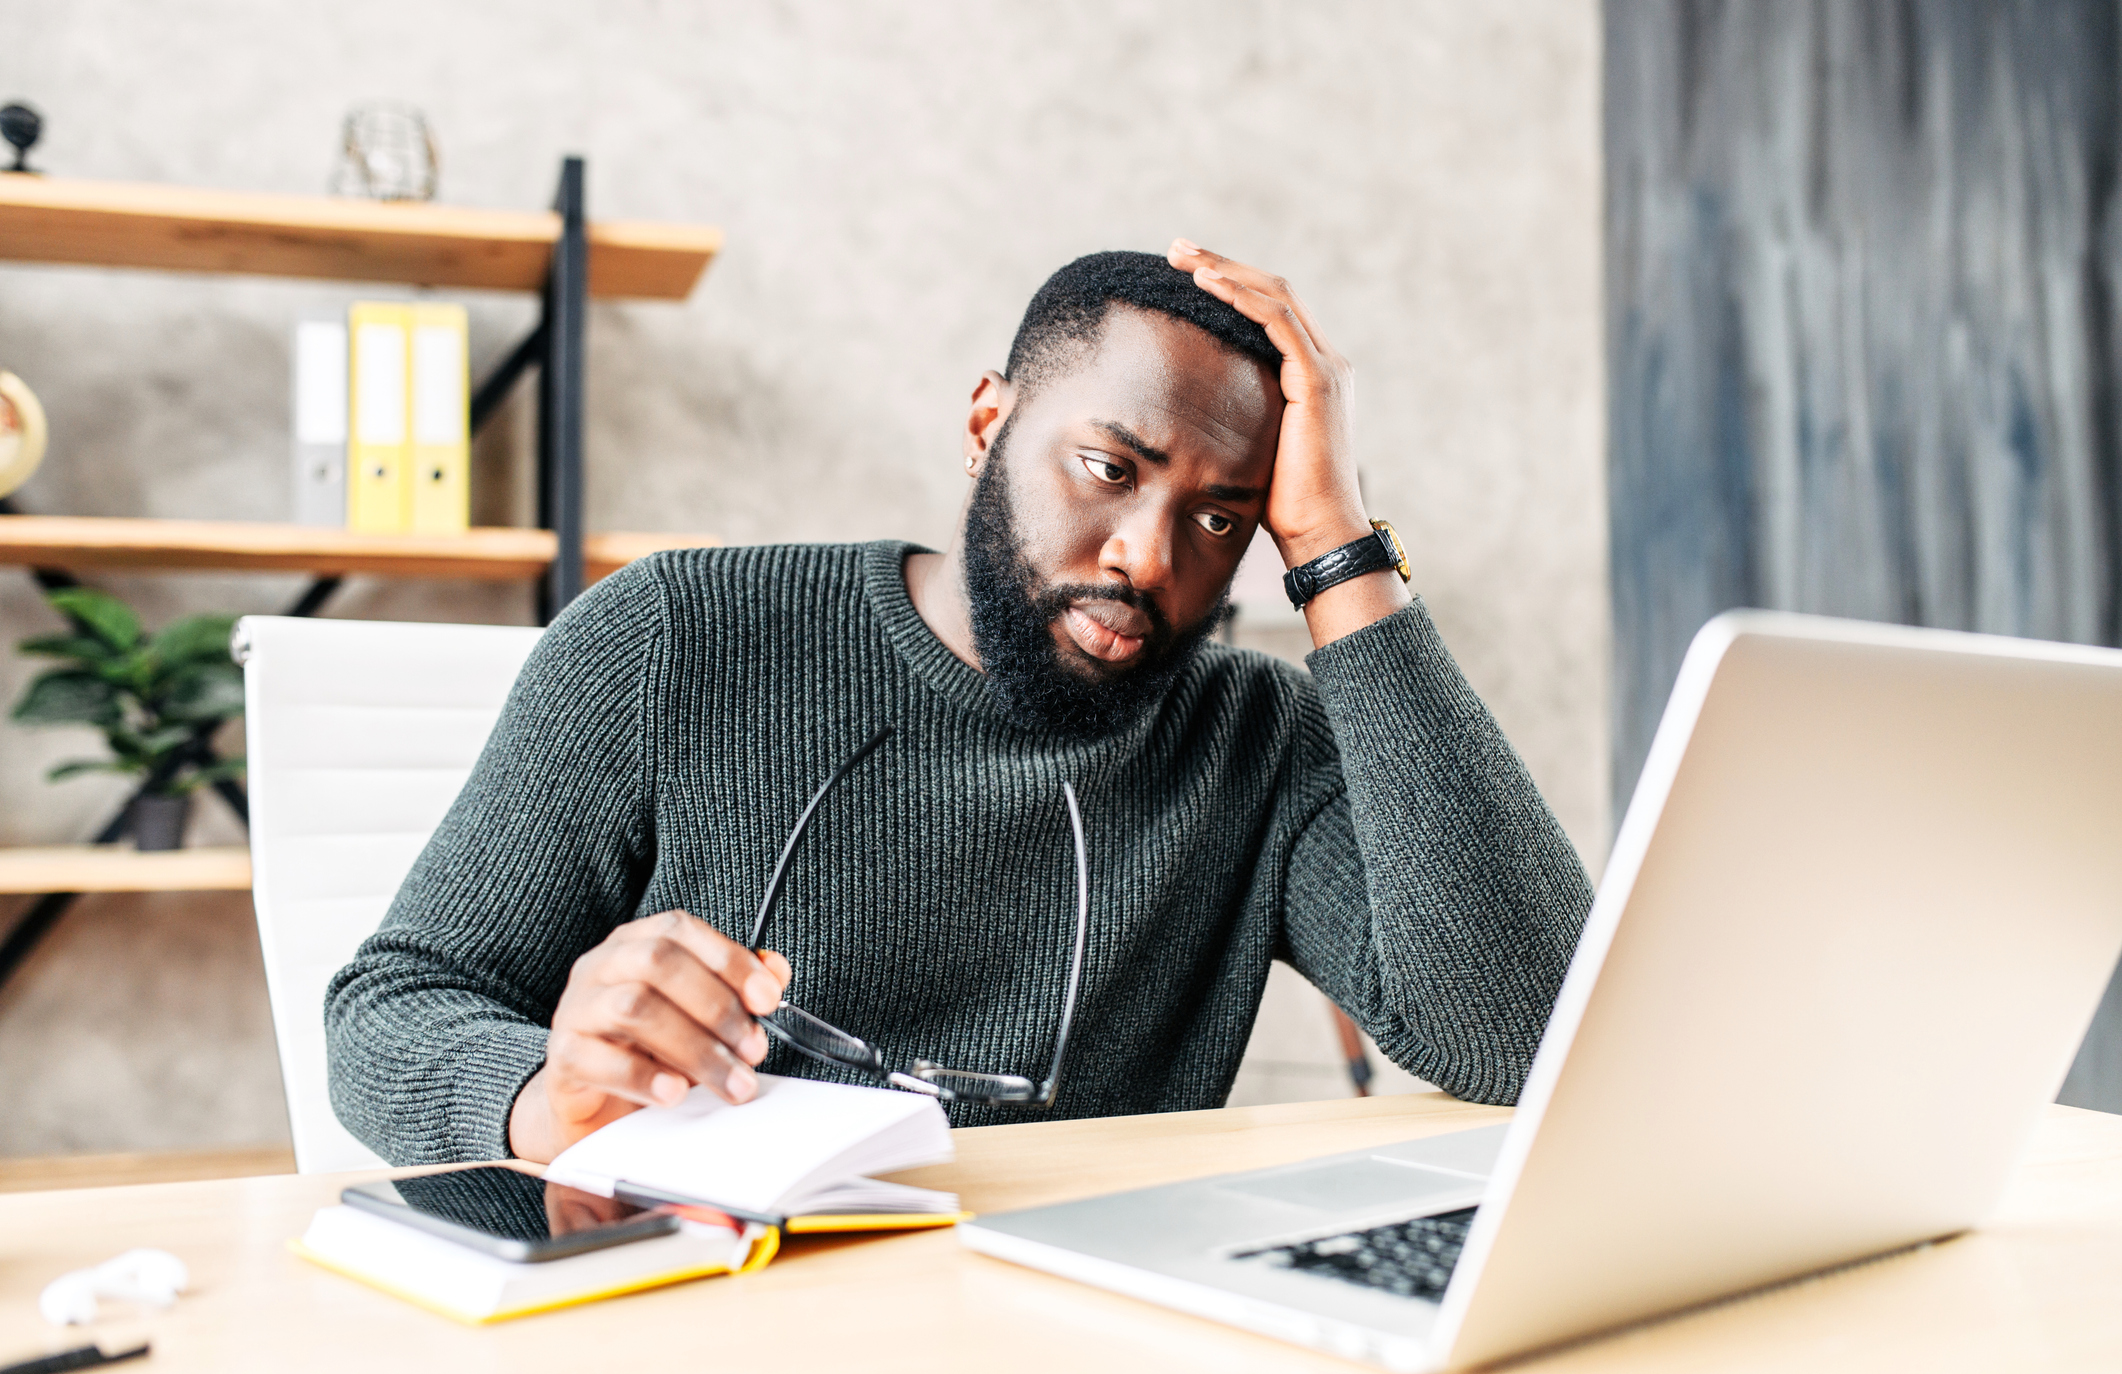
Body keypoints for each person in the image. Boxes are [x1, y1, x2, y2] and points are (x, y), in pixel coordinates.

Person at [326, 242, 1595, 1166]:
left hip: (1074, 1336)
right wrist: (552, 1096)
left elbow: (1532, 1034)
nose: (1149, 557)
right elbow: (392, 1008)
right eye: (1109, 467)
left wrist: (1338, 547)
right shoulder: (679, 635)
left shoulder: (1256, 739)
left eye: (1222, 515)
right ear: (988, 423)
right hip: (719, 1316)